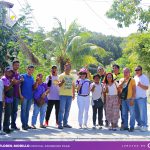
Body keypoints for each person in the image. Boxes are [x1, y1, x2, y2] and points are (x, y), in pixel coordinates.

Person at [20, 65, 38, 130]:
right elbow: (19, 86)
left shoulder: (32, 78)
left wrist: (36, 82)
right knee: (23, 111)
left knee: (27, 111)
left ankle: (26, 124)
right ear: (27, 69)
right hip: (24, 96)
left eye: (32, 70)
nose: (31, 71)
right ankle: (23, 125)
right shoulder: (22, 76)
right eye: (29, 69)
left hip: (30, 97)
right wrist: (20, 95)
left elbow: (33, 87)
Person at [58, 63, 75, 129]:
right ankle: (60, 124)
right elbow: (59, 85)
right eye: (66, 67)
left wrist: (73, 94)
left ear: (70, 68)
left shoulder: (72, 76)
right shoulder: (61, 76)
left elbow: (73, 86)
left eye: (69, 67)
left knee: (67, 110)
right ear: (64, 68)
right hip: (62, 95)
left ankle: (65, 123)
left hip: (69, 95)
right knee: (61, 110)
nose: (67, 68)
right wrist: (62, 82)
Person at [119, 68, 136, 132]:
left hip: (130, 99)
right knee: (124, 113)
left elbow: (134, 90)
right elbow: (119, 88)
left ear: (129, 73)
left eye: (126, 72)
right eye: (124, 72)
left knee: (132, 113)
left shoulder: (132, 80)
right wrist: (124, 81)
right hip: (123, 99)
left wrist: (132, 99)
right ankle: (126, 126)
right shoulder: (121, 79)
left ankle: (132, 127)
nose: (125, 73)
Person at [134, 65, 149, 132]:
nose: (137, 71)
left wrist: (140, 85)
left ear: (141, 70)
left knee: (143, 113)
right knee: (136, 113)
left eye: (138, 70)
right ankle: (139, 124)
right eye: (136, 70)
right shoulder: (135, 77)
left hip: (142, 98)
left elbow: (147, 88)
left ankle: (144, 126)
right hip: (135, 98)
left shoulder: (144, 77)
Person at [2, 66, 16, 134]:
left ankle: (7, 127)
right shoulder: (4, 79)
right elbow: (5, 89)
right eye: (9, 71)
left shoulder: (8, 79)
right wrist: (12, 83)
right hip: (6, 99)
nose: (10, 73)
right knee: (7, 114)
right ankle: (5, 128)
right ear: (5, 72)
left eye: (11, 72)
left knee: (9, 113)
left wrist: (11, 82)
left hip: (10, 99)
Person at [11, 60, 24, 130]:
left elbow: (18, 85)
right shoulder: (10, 73)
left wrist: (20, 95)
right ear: (13, 65)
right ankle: (6, 126)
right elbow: (14, 82)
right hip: (10, 95)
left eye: (18, 65)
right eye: (16, 65)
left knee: (15, 110)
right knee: (9, 111)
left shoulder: (18, 74)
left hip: (16, 95)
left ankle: (13, 125)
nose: (17, 66)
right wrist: (20, 80)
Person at [112, 64, 123, 128]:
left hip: (121, 95)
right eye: (113, 68)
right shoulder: (111, 76)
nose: (114, 69)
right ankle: (115, 123)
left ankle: (123, 123)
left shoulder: (122, 75)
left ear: (118, 69)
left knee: (122, 110)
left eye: (115, 68)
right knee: (114, 110)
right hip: (113, 95)